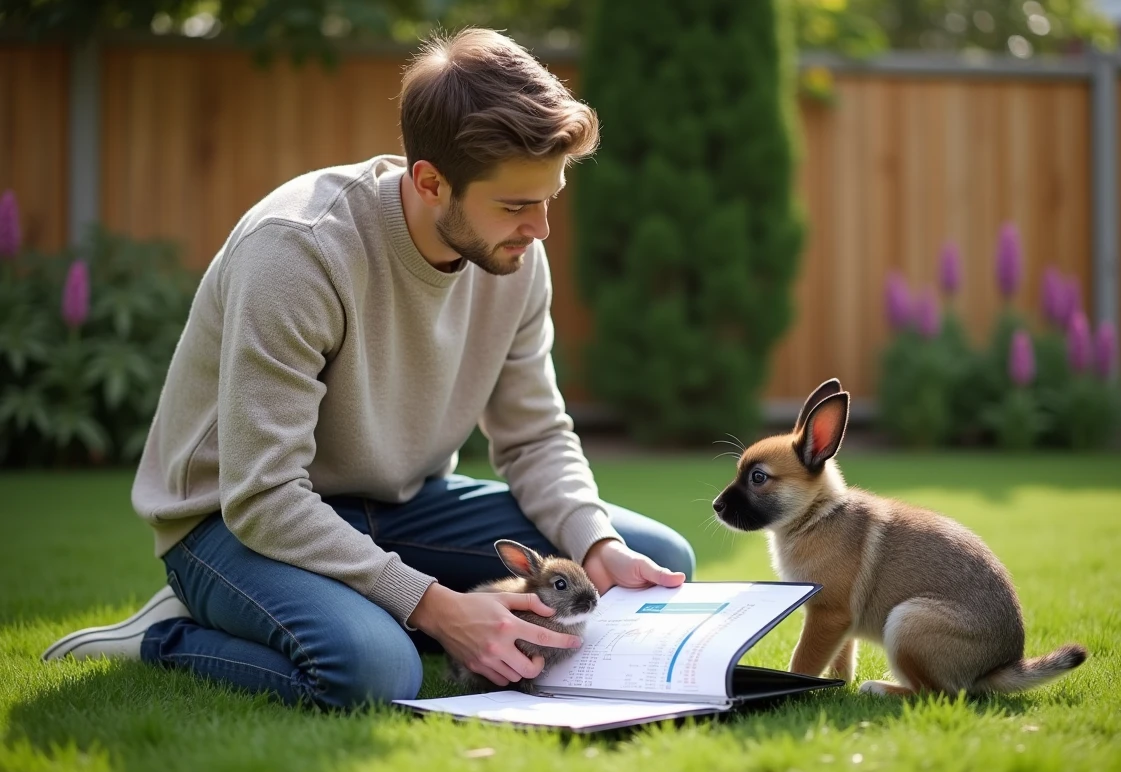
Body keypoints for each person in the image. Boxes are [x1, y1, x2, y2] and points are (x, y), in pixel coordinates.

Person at [41, 27, 695, 707]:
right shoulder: (298, 253)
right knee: (376, 672)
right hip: (231, 522)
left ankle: (370, 608)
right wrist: (433, 606)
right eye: (515, 205)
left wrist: (595, 542)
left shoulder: (513, 254)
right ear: (431, 182)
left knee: (651, 565)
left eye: (549, 199)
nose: (541, 230)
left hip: (401, 508)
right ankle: (168, 634)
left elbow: (534, 438)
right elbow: (263, 496)